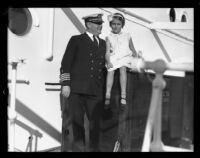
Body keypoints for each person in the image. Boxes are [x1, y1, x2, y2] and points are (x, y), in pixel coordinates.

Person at [60, 13, 106, 152]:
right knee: (77, 124)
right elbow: (65, 62)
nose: (100, 26)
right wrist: (66, 84)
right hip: (76, 89)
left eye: (101, 24)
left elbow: (108, 64)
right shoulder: (76, 40)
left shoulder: (103, 43)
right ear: (89, 25)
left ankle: (93, 150)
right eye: (98, 24)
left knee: (95, 124)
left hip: (95, 90)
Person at [105, 13, 137, 110]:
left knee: (123, 68)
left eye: (118, 24)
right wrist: (108, 61)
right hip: (114, 57)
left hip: (125, 57)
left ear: (122, 25)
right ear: (110, 25)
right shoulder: (108, 37)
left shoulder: (127, 35)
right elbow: (107, 52)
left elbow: (133, 49)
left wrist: (135, 61)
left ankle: (123, 95)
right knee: (110, 70)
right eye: (114, 24)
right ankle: (108, 94)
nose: (116, 26)